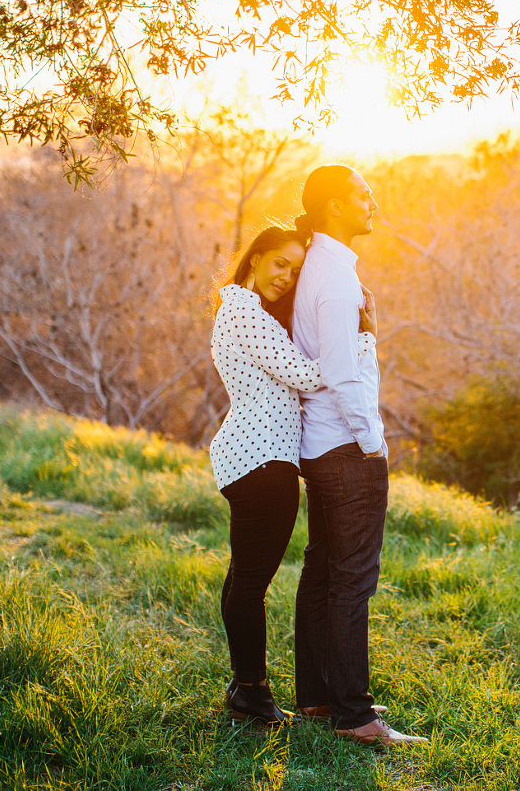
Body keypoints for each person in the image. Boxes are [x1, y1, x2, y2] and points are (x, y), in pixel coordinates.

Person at [290, 164, 427, 747]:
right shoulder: (336, 279)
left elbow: (339, 355)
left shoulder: (320, 268)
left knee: (324, 569)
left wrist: (368, 329)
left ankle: (321, 697)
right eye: (362, 195)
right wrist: (373, 444)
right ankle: (355, 715)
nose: (373, 202)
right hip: (347, 449)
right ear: (335, 208)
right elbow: (345, 378)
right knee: (352, 579)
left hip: (320, 446)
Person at [209, 227, 321, 725]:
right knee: (251, 583)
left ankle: (245, 685)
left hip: (256, 458)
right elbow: (306, 375)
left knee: (243, 580)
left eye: (295, 270)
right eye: (280, 263)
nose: (286, 277)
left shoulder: (244, 310)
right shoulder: (242, 310)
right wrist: (361, 336)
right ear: (254, 258)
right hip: (262, 461)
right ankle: (252, 694)